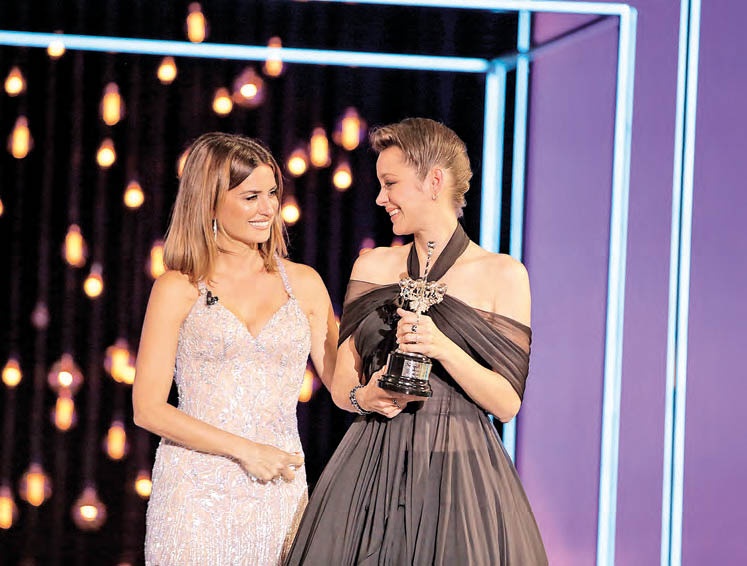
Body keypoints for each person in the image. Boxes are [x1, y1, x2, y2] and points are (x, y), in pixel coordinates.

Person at [286, 118, 547, 565]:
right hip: (370, 463)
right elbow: (343, 382)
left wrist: (441, 346)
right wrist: (365, 396)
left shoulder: (503, 274)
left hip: (459, 472)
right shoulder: (372, 265)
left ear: (434, 182)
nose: (380, 198)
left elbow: (506, 403)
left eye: (390, 184)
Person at [132, 132, 338, 565]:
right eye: (250, 197)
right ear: (209, 203)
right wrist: (246, 450)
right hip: (194, 495)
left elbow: (343, 386)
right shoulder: (178, 287)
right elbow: (148, 409)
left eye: (272, 193)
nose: (268, 208)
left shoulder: (304, 283)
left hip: (278, 491)